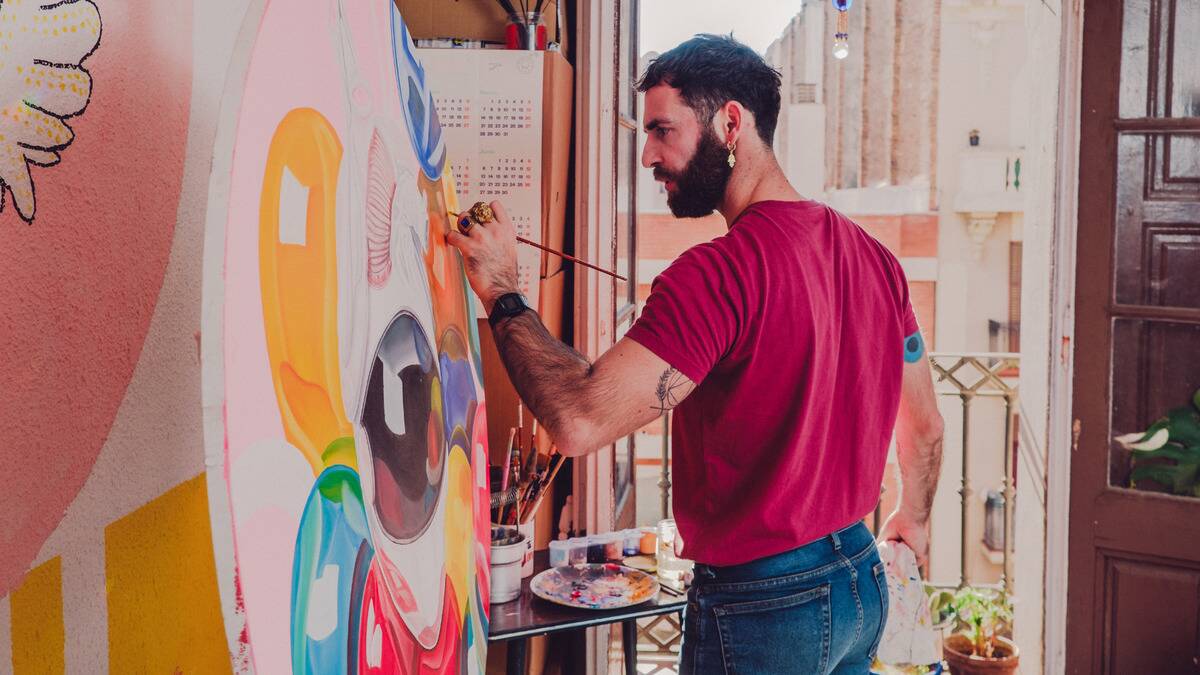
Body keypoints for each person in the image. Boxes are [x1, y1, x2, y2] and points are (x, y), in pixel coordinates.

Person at [447, 33, 944, 675]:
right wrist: (914, 517)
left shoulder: (717, 275)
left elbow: (578, 418)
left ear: (730, 122)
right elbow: (926, 426)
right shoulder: (874, 259)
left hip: (766, 607)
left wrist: (502, 291)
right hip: (860, 580)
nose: (649, 155)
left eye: (662, 130)